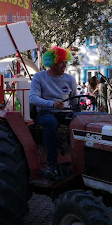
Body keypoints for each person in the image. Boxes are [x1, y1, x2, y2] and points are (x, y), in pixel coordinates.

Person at [29, 46, 78, 179]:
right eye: (61, 61)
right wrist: (52, 104)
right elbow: (32, 98)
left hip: (64, 113)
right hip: (45, 113)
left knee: (80, 122)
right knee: (51, 123)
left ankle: (77, 161)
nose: (64, 65)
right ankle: (52, 165)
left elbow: (75, 103)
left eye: (65, 62)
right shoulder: (39, 77)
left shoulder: (70, 79)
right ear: (52, 62)